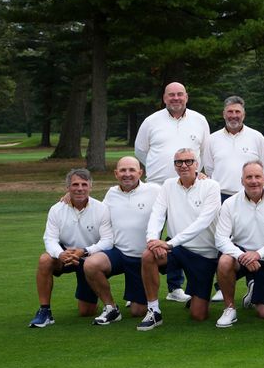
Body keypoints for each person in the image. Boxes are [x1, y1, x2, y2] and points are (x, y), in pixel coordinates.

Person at [133, 81, 210, 302]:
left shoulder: (199, 120)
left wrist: (196, 172)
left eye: (180, 94)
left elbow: (203, 150)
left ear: (187, 96)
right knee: (150, 233)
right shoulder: (151, 121)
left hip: (189, 187)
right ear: (164, 98)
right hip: (157, 185)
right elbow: (141, 150)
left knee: (180, 233)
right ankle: (140, 291)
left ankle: (175, 287)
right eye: (171, 95)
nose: (175, 98)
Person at [137, 148, 222, 330]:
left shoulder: (212, 186)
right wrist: (153, 240)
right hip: (176, 250)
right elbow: (157, 214)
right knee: (148, 255)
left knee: (198, 315)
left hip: (204, 254)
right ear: (174, 166)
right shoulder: (168, 185)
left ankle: (195, 296)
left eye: (188, 161)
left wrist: (169, 243)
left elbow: (203, 222)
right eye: (179, 162)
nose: (184, 165)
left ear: (197, 164)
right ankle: (154, 311)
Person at [80, 157, 161, 324]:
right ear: (116, 174)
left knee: (138, 311)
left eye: (132, 170)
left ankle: (142, 300)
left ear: (140, 172)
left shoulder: (155, 190)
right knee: (90, 264)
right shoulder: (111, 193)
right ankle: (111, 308)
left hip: (143, 259)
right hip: (118, 253)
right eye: (123, 170)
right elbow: (95, 211)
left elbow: (179, 189)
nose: (127, 174)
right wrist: (72, 196)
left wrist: (200, 177)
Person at [29, 168, 113, 327]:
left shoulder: (101, 208)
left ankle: (102, 302)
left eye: (84, 184)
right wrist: (60, 254)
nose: (79, 188)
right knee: (45, 259)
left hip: (89, 258)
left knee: (86, 311)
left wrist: (85, 251)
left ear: (90, 186)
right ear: (68, 188)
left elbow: (108, 240)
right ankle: (45, 311)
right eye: (75, 184)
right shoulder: (56, 209)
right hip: (65, 256)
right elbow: (50, 238)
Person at [214, 160, 264, 326]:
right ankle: (229, 308)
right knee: (225, 261)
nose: (253, 181)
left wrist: (258, 254)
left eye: (257, 176)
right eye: (249, 177)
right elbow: (220, 238)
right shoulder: (230, 203)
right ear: (242, 181)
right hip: (241, 256)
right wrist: (243, 256)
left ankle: (255, 287)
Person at [203, 95, 264, 199]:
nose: (234, 115)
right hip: (220, 195)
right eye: (230, 112)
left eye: (237, 112)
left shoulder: (257, 137)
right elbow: (209, 170)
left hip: (249, 195)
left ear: (243, 115)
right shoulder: (212, 139)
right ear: (224, 114)